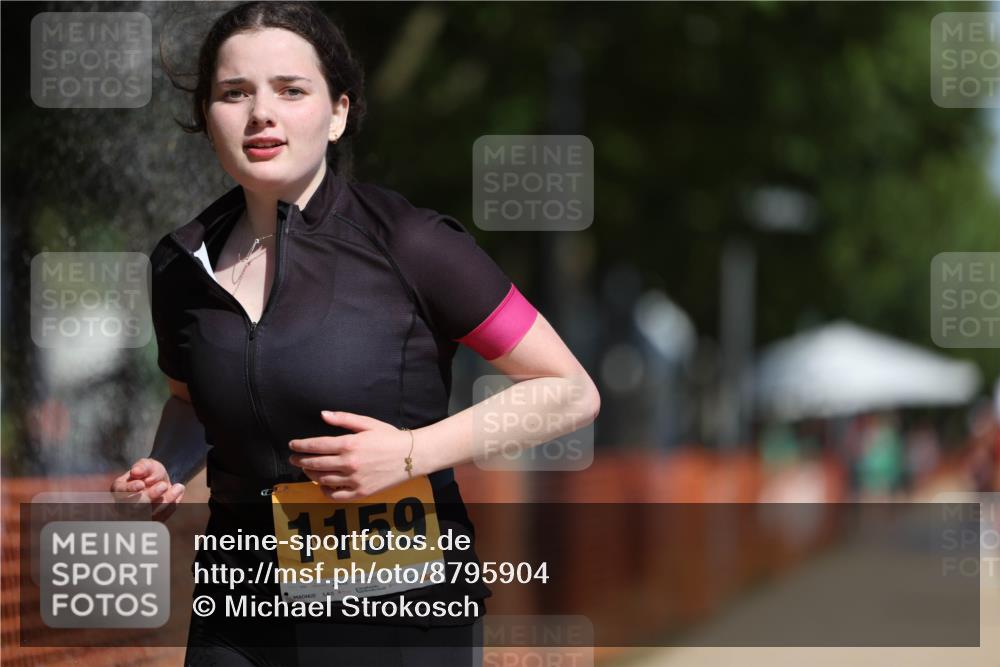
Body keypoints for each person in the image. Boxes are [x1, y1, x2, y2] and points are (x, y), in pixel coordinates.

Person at [110, 2, 601, 665]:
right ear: (206, 116)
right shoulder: (178, 264)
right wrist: (166, 465)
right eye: (234, 93)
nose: (261, 113)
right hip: (241, 602)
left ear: (338, 112)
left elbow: (568, 390)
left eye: (291, 89)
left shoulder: (412, 241)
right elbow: (192, 401)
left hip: (398, 599)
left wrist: (410, 453)